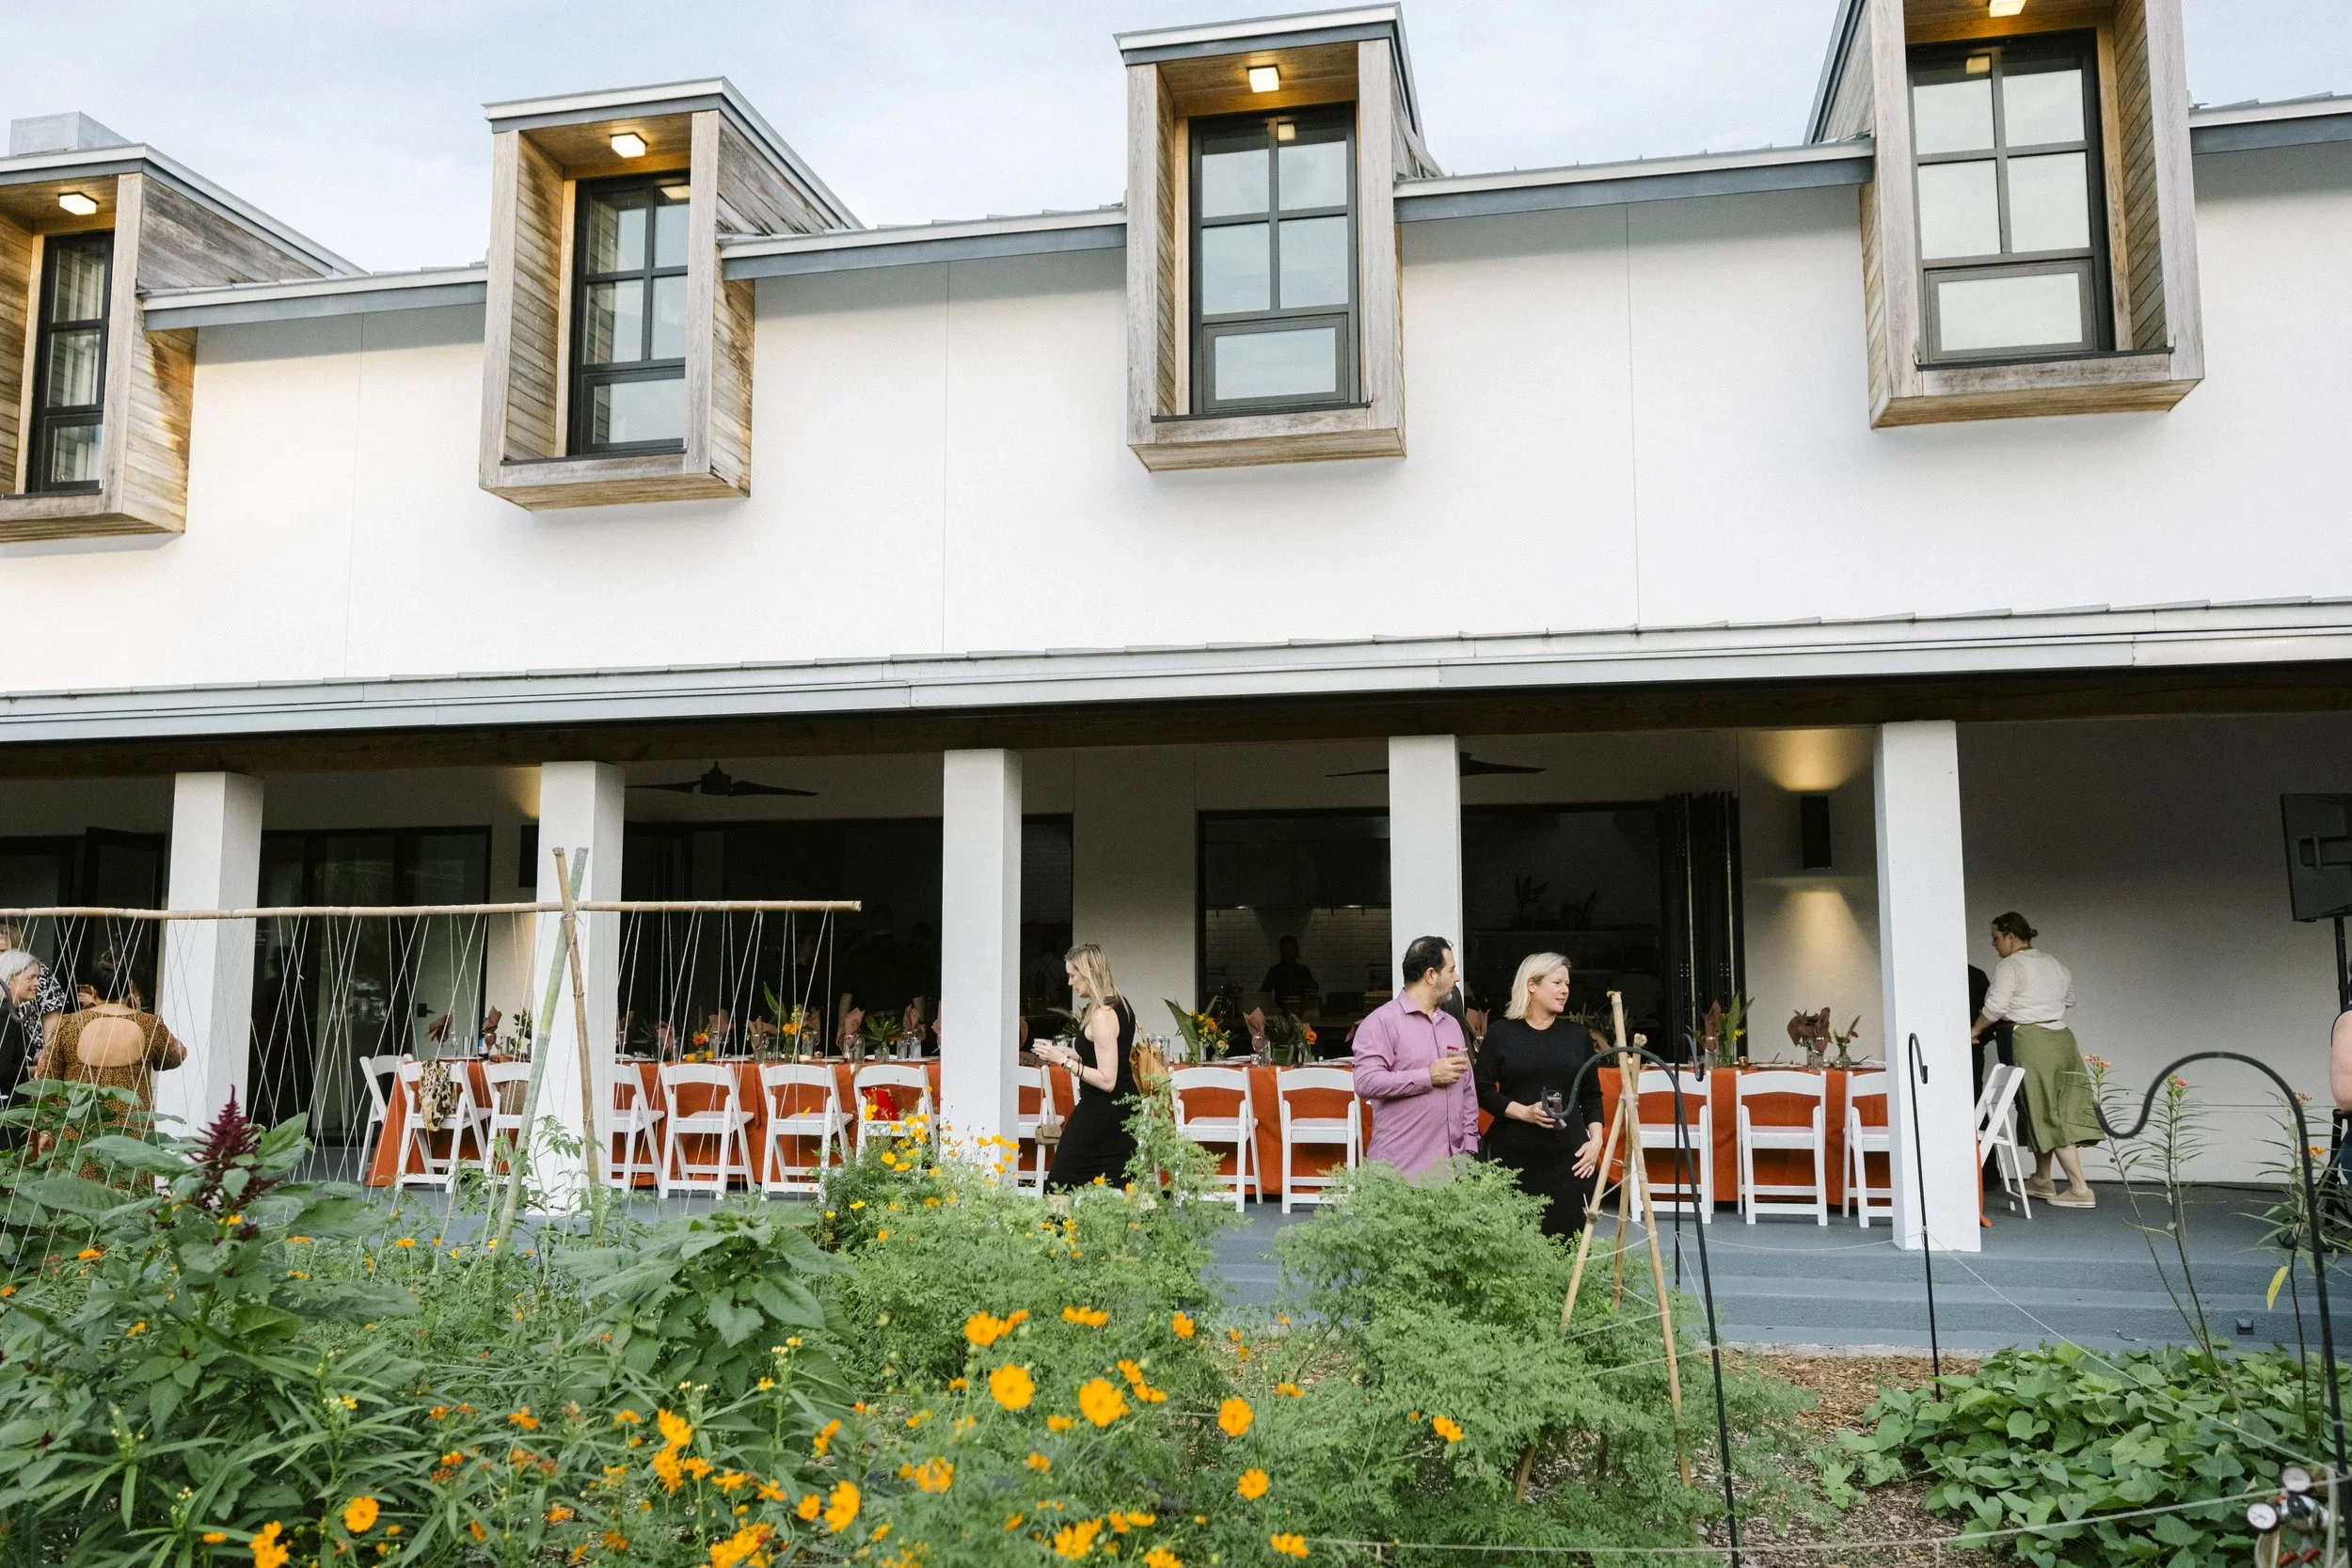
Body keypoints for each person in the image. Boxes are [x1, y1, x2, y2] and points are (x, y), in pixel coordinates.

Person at [1475, 953, 1609, 1240]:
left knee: (1570, 1243)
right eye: (1557, 983)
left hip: (1571, 1158)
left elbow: (1591, 1095)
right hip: (1514, 1158)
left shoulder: (1577, 1036)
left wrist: (1596, 1141)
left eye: (1567, 984)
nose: (1565, 990)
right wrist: (1523, 1112)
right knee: (1515, 1242)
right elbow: (1481, 1090)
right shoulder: (1501, 1033)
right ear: (1531, 985)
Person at [1972, 911, 2101, 1208]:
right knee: (2041, 1106)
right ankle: (2042, 1179)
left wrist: (1975, 1029)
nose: (1994, 944)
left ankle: (2080, 1189)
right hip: (2062, 1038)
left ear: (2011, 936)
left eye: (1996, 938)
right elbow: (2070, 1000)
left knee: (2043, 1109)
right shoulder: (2054, 963)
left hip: (2030, 1039)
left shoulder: (2010, 966)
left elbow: (1995, 1007)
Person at [31, 951, 187, 1152]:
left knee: (78, 1170)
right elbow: (176, 1056)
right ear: (130, 988)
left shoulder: (68, 1024)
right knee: (129, 1173)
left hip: (78, 1131)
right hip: (131, 1131)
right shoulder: (149, 1025)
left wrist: (45, 1129)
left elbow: (46, 1078)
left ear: (93, 990)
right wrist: (140, 1013)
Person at [1352, 935, 1479, 1176]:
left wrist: (1469, 1147)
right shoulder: (1381, 1022)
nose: (1457, 978)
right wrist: (1428, 1076)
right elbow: (1365, 1082)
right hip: (1400, 1173)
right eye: (1451, 970)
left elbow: (1467, 1089)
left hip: (1452, 1173)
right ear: (1431, 975)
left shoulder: (1452, 1024)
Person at [1032, 944, 1140, 1192]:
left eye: (1073, 975)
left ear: (1089, 973)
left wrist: (1064, 1062)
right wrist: (1070, 1053)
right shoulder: (1120, 1005)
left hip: (1102, 1111)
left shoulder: (1102, 1015)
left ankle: (1057, 1220)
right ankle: (1152, 1218)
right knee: (1123, 1184)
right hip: (1122, 1108)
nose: (1069, 982)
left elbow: (1107, 1080)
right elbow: (1108, 1055)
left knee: (1059, 1184)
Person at [0, 950, 46, 1151]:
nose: (37, 983)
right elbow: (2, 1070)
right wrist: (35, 1071)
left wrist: (38, 1057)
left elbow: (17, 1054)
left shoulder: (13, 1011)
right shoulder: (4, 1016)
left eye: (38, 977)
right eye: (30, 978)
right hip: (6, 1109)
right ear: (9, 980)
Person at [0, 925, 69, 1052]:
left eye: (3, 952)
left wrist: (47, 1055)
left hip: (31, 1051)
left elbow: (52, 1018)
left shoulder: (39, 974)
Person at [1260, 937, 1317, 1014]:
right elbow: (1263, 993)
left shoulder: (1276, 970)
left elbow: (1263, 993)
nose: (1288, 954)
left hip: (1296, 1012)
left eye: (1290, 951)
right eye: (1285, 951)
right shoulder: (1276, 971)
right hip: (1286, 1012)